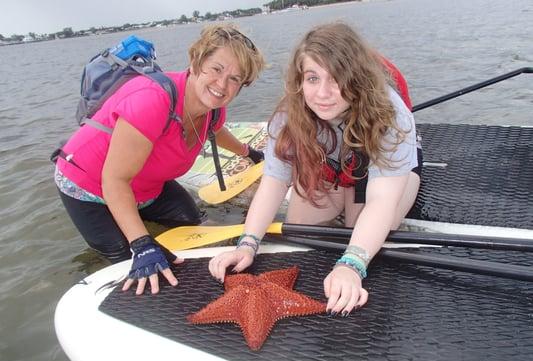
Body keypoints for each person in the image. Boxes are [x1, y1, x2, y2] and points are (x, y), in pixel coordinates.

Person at [209, 22, 422, 316]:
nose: (323, 93)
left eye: (336, 79)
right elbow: (274, 181)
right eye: (312, 78)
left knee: (358, 233)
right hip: (334, 168)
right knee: (300, 232)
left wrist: (352, 264)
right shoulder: (289, 115)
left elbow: (382, 200)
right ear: (300, 80)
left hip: (378, 174)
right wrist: (247, 244)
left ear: (357, 79)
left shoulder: (393, 115)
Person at [54, 24, 265, 295]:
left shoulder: (212, 111)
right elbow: (115, 180)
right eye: (216, 69)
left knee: (191, 219)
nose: (222, 84)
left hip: (147, 184)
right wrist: (141, 243)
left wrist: (249, 153)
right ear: (196, 60)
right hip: (89, 185)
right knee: (126, 258)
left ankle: (141, 225)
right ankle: (92, 265)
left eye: (235, 79)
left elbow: (217, 131)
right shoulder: (152, 101)